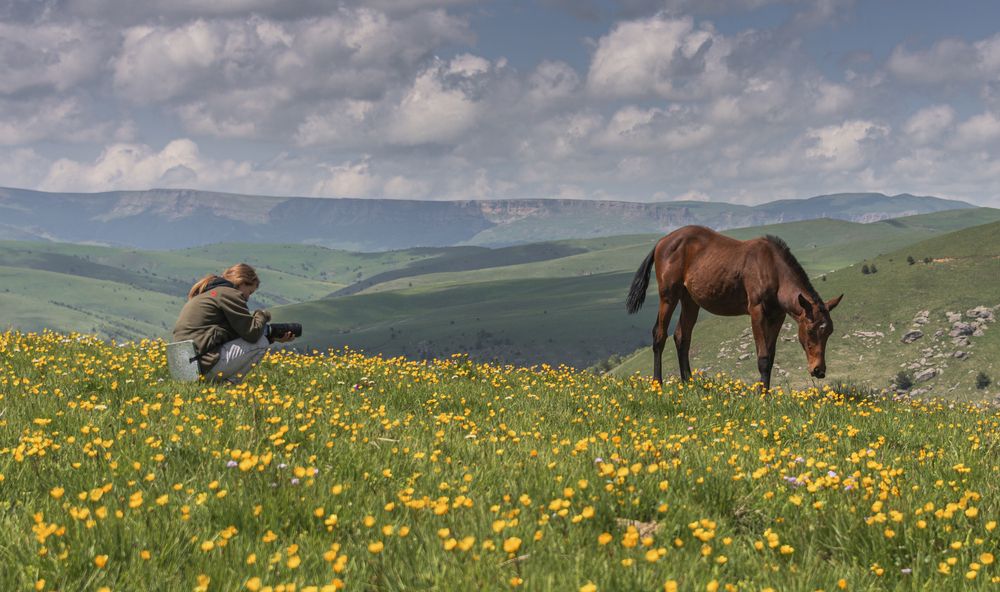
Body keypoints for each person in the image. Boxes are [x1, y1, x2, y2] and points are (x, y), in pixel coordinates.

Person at [172, 263, 294, 384]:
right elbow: (252, 334)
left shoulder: (207, 293)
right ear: (242, 282)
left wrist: (272, 336)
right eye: (249, 292)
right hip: (201, 366)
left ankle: (220, 384)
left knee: (261, 339)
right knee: (261, 342)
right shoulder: (228, 293)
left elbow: (231, 334)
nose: (247, 298)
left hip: (183, 369)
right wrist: (262, 315)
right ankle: (229, 386)